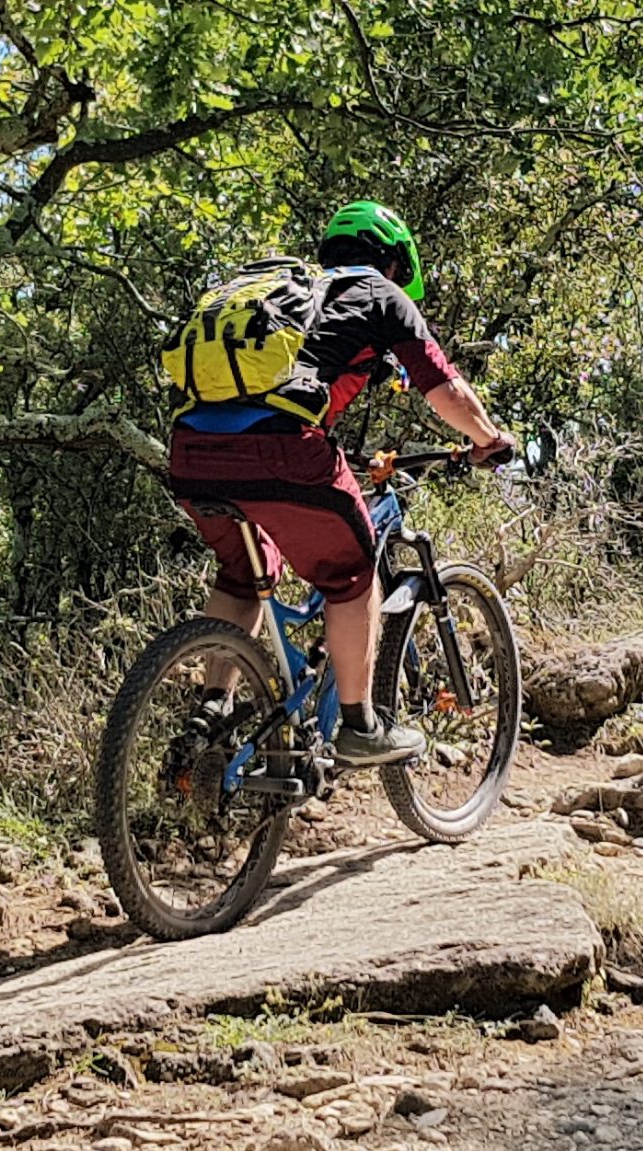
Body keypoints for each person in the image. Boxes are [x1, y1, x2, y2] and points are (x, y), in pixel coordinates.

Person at [163, 201, 517, 764]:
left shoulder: (290, 297)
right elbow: (442, 387)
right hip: (283, 449)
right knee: (350, 574)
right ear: (396, 263)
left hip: (190, 449)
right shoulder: (380, 294)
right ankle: (360, 726)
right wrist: (488, 438)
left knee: (241, 573)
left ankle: (213, 710)